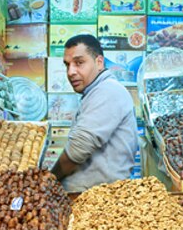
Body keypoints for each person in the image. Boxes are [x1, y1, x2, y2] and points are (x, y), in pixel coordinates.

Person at [51, 34, 138, 192]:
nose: (71, 72)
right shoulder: (94, 92)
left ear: (99, 62)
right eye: (67, 65)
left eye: (79, 63)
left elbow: (78, 150)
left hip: (100, 202)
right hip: (91, 198)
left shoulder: (108, 90)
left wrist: (49, 180)